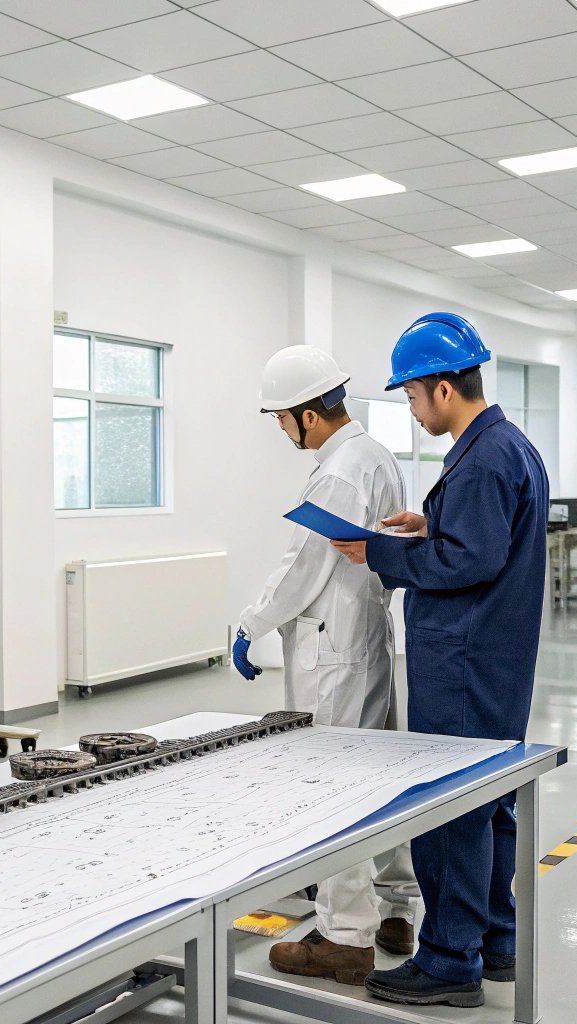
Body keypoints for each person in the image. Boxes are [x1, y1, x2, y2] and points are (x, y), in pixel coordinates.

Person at [331, 312, 548, 1008]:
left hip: (464, 659)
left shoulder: (480, 459)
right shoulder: (509, 447)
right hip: (497, 659)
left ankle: (451, 961)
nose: (412, 409)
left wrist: (380, 553)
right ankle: (494, 938)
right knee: (491, 799)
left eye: (412, 396)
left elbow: (470, 562)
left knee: (452, 808)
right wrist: (435, 524)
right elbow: (487, 541)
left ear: (444, 389)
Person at [230, 345, 420, 987]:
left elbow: (303, 567)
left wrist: (251, 623)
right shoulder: (375, 455)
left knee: (336, 788)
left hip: (335, 648)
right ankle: (397, 909)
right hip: (366, 637)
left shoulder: (338, 471)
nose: (282, 429)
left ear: (308, 414)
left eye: (282, 418)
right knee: (379, 778)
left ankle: (344, 935)